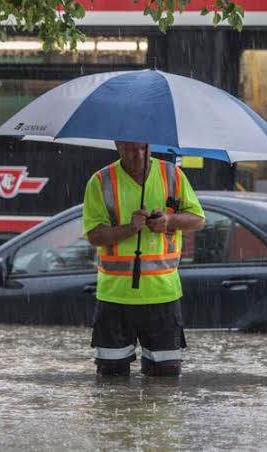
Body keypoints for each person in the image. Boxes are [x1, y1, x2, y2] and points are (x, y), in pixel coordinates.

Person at [83, 141, 205, 377]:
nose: (138, 155)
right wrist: (129, 228)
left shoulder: (172, 175)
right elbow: (94, 235)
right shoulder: (100, 181)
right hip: (115, 298)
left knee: (166, 380)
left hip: (163, 296)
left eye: (143, 149)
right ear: (118, 146)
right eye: (130, 149)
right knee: (111, 382)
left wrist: (169, 221)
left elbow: (198, 219)